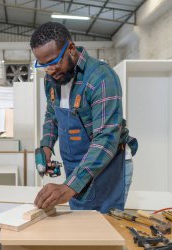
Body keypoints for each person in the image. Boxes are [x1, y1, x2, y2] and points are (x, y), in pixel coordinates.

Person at [30, 22, 138, 213]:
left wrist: (67, 188)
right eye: (44, 66)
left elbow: (106, 140)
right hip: (76, 168)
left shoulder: (101, 78)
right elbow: (52, 114)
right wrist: (46, 146)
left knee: (103, 232)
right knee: (81, 230)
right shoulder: (52, 78)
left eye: (54, 62)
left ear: (71, 48)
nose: (51, 71)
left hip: (107, 166)